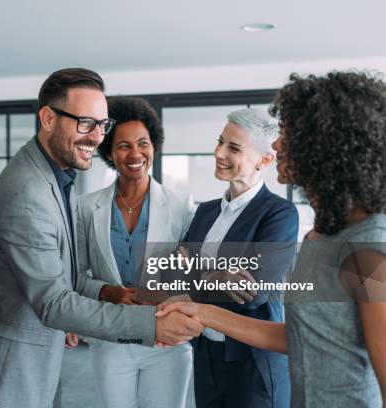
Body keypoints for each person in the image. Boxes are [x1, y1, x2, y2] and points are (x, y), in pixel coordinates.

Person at [0, 68, 203, 408]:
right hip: (19, 366)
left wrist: (110, 292)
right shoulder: (28, 193)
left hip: (48, 353)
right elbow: (55, 301)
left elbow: (69, 275)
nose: (95, 136)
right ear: (47, 118)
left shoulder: (59, 178)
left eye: (101, 125)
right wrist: (150, 324)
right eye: (85, 123)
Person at [159, 72, 386, 407]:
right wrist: (204, 311)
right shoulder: (319, 235)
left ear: (324, 146)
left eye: (288, 135)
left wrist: (196, 278)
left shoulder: (367, 250)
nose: (277, 145)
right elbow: (298, 337)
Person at [75, 96, 196, 408]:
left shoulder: (182, 207)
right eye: (123, 146)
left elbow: (193, 277)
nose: (135, 154)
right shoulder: (87, 207)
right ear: (110, 153)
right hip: (111, 337)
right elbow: (75, 275)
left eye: (143, 143)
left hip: (165, 338)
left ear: (153, 146)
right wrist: (106, 291)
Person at [178, 108, 298, 408]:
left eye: (233, 147)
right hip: (205, 353)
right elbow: (173, 273)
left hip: (252, 363)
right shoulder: (204, 212)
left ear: (265, 159)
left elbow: (252, 292)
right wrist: (215, 276)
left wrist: (195, 273)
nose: (219, 152)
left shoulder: (279, 214)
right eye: (220, 141)